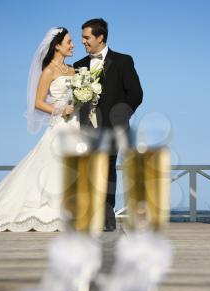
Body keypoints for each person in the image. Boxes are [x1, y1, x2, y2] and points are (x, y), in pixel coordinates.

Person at [0, 27, 79, 232]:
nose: (73, 45)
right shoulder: (48, 71)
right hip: (60, 124)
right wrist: (60, 109)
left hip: (77, 124)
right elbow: (37, 103)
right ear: (57, 45)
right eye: (68, 41)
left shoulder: (75, 70)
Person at [74, 18, 143, 232]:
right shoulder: (78, 66)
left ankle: (107, 214)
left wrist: (120, 117)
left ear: (100, 37)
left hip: (113, 126)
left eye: (86, 37)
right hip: (84, 128)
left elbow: (136, 95)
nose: (83, 41)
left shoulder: (123, 61)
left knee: (108, 169)